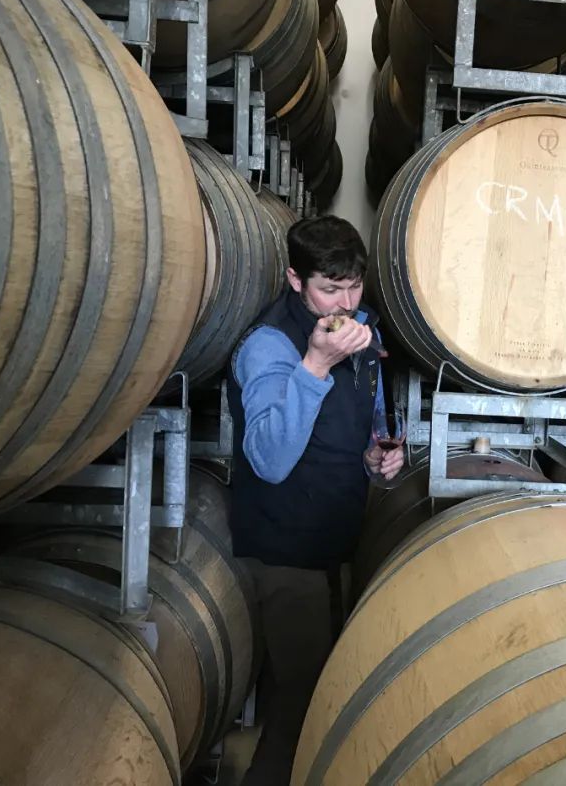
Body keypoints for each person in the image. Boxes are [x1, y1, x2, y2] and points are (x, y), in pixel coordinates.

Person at [225, 215, 405, 785]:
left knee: (321, 694)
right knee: (300, 706)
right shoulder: (268, 346)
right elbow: (270, 459)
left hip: (336, 542)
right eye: (330, 288)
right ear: (295, 280)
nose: (346, 302)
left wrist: (375, 458)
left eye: (355, 286)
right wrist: (316, 364)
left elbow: (358, 426)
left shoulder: (360, 327)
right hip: (285, 553)